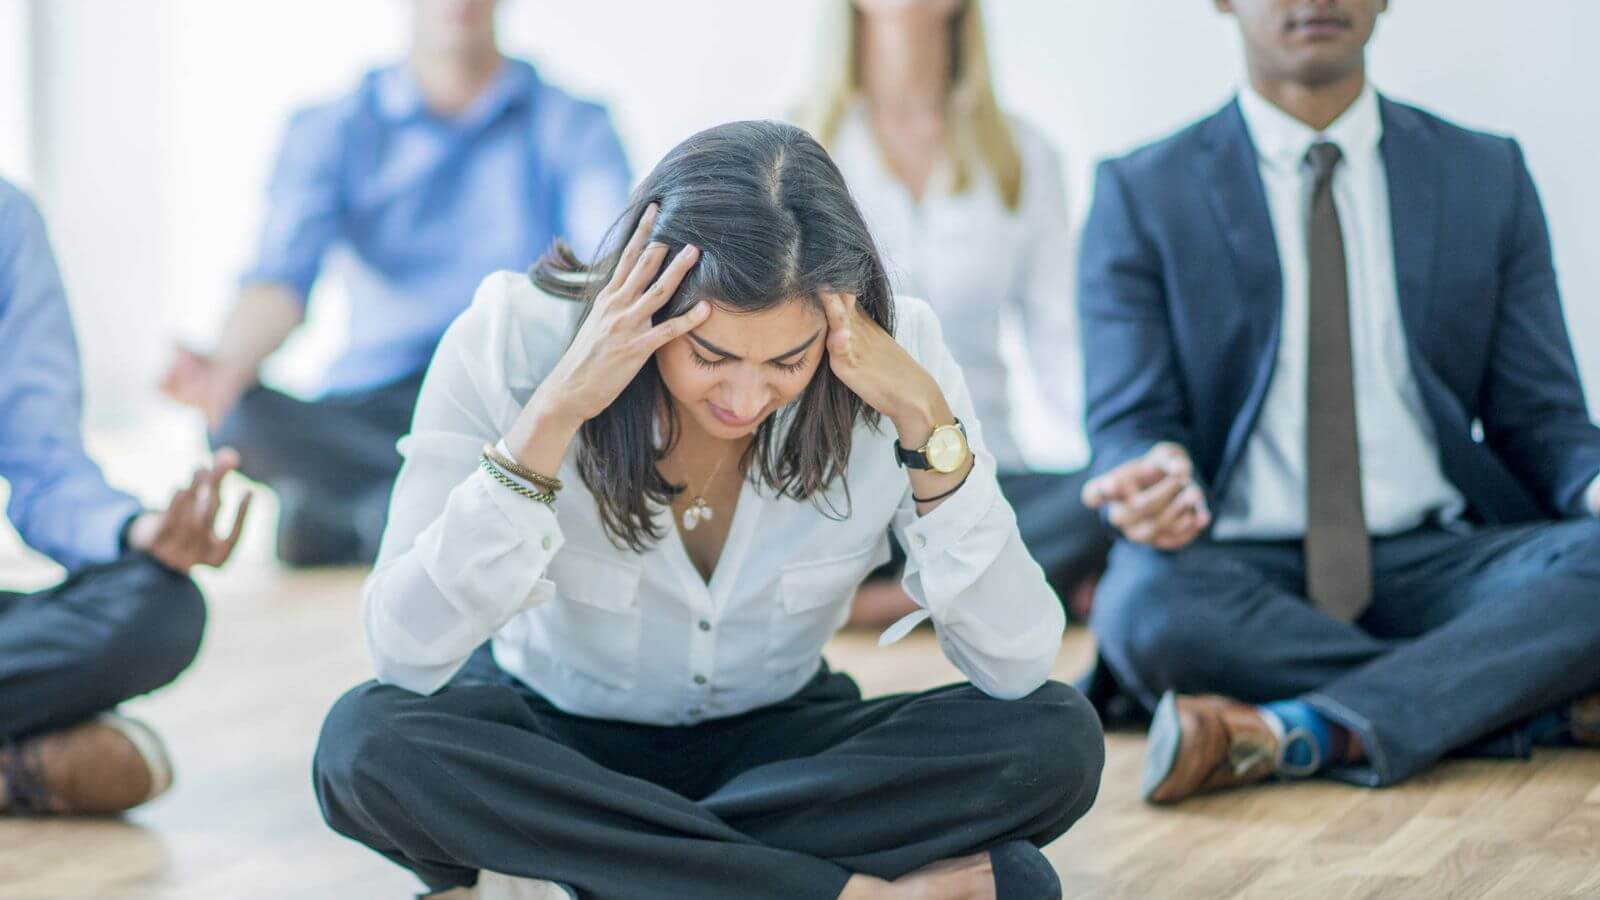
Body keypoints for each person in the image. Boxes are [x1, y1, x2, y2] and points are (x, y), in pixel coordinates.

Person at [313, 121, 1102, 900]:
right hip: (552, 741)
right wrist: (552, 416)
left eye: (787, 362)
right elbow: (405, 651)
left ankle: (570, 874)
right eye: (710, 356)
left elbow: (1016, 661)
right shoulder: (512, 337)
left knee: (1056, 737)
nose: (745, 397)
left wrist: (930, 427)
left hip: (770, 750)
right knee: (365, 745)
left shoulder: (901, 356)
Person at [1076, 0, 1600, 805]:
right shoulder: (1144, 191)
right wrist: (1156, 474)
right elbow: (1130, 421)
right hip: (1247, 568)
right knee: (1144, 605)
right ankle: (1525, 699)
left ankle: (1299, 728)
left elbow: (1545, 421)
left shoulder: (1484, 173)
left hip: (1438, 558)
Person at [160, 0, 631, 566]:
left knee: (571, 429)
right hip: (373, 403)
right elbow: (280, 280)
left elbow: (606, 267)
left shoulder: (574, 123)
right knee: (239, 419)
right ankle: (416, 510)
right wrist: (224, 366)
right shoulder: (331, 127)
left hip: (501, 391)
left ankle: (363, 516)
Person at [798, 0, 1110, 627]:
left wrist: (1124, 456)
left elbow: (1061, 346)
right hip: (842, 482)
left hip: (984, 474)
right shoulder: (797, 152)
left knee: (1111, 495)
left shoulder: (1023, 157)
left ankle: (886, 603)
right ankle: (986, 583)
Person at [0, 177, 250, 815]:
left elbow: (45, 466)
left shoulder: (8, 222)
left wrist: (136, 530)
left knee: (156, 608)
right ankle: (23, 770)